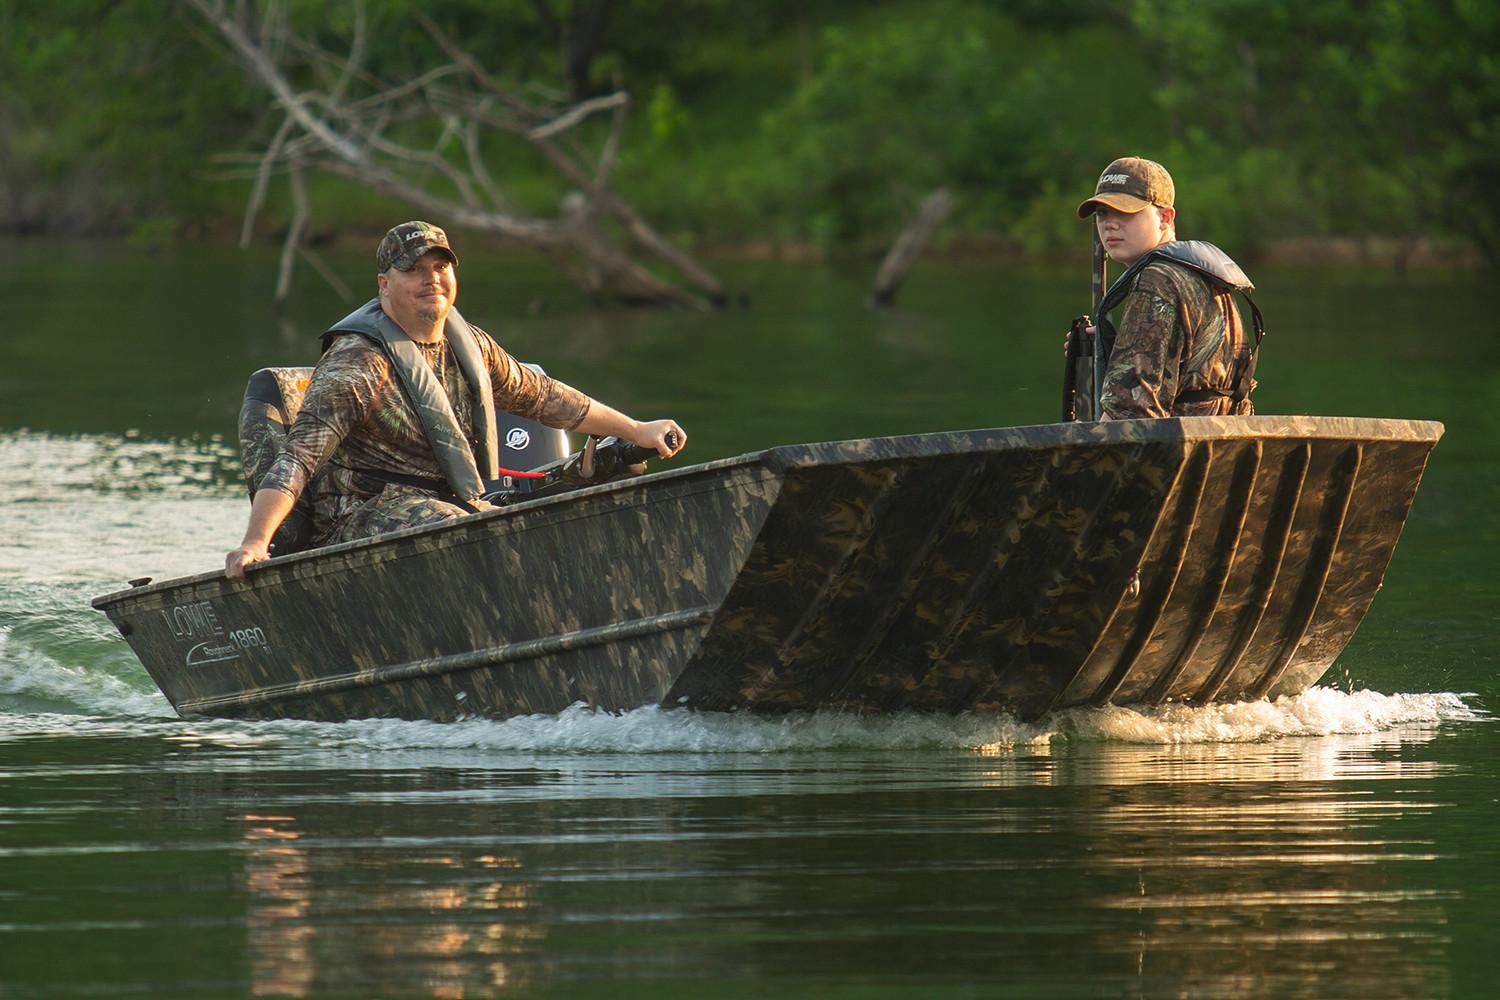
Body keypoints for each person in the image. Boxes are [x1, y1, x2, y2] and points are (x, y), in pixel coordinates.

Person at [226, 221, 686, 579]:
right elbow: (297, 460)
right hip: (361, 515)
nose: (432, 280)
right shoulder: (360, 364)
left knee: (604, 476)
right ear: (384, 284)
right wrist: (255, 542)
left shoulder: (471, 347)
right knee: (469, 535)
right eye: (414, 271)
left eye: (440, 267)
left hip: (456, 503)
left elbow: (546, 398)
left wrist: (635, 431)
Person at [1076, 157, 1260, 420]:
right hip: (1220, 447)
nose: (1109, 224)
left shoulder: (1157, 280)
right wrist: (1117, 349)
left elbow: (1128, 413)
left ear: (1165, 217)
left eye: (1125, 212)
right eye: (1102, 213)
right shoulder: (1200, 273)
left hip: (1176, 453)